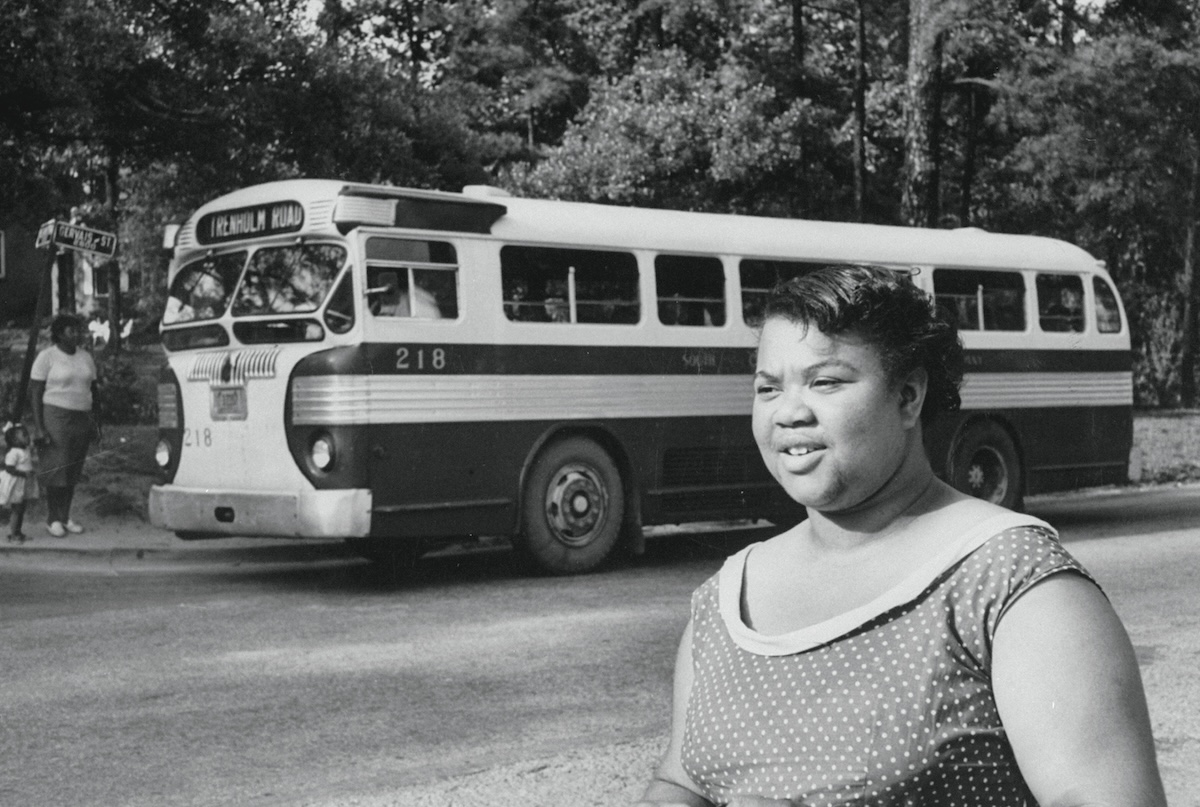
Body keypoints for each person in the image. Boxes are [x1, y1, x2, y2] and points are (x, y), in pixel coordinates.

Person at [636, 265, 1165, 807]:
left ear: (908, 396)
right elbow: (682, 783)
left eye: (826, 382)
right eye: (768, 388)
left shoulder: (1010, 579)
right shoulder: (726, 598)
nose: (789, 412)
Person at [29, 314, 100, 538]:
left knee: (72, 469)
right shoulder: (47, 356)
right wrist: (39, 428)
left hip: (82, 417)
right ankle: (53, 519)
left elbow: (94, 391)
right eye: (71, 330)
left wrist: (97, 422)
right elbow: (35, 392)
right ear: (59, 334)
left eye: (78, 330)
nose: (77, 334)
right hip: (56, 416)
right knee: (56, 467)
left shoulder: (86, 357)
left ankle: (66, 516)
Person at [0, 422, 39, 543]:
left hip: (24, 484)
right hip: (17, 484)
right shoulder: (13, 453)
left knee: (21, 509)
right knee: (16, 510)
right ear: (14, 440)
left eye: (27, 434)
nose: (28, 437)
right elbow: (9, 468)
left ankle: (18, 532)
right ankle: (12, 535)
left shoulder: (25, 449)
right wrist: (23, 474)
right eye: (24, 435)